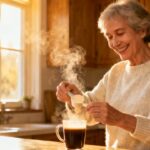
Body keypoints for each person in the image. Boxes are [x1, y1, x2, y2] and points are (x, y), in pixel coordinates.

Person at [56, 0, 150, 149]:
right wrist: (74, 98)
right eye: (109, 37)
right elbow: (88, 115)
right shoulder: (116, 72)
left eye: (120, 33)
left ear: (141, 30)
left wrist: (121, 119)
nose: (114, 43)